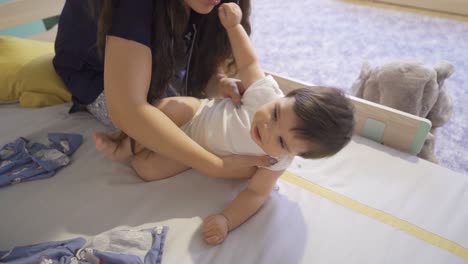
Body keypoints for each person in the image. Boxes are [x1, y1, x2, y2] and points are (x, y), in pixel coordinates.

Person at [94, 3, 355, 245]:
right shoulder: (265, 93)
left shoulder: (276, 162)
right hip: (196, 115)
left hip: (200, 150)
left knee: (146, 170)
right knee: (172, 108)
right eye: (275, 114)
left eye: (281, 141)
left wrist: (226, 220)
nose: (266, 129)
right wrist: (234, 27)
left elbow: (255, 194)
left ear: (296, 155)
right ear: (284, 97)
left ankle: (140, 150)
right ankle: (124, 145)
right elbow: (249, 62)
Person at [53, 0, 274, 182]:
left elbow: (203, 50)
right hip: (94, 74)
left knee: (189, 113)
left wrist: (217, 81)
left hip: (150, 62)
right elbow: (128, 110)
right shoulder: (133, 7)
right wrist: (216, 165)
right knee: (171, 123)